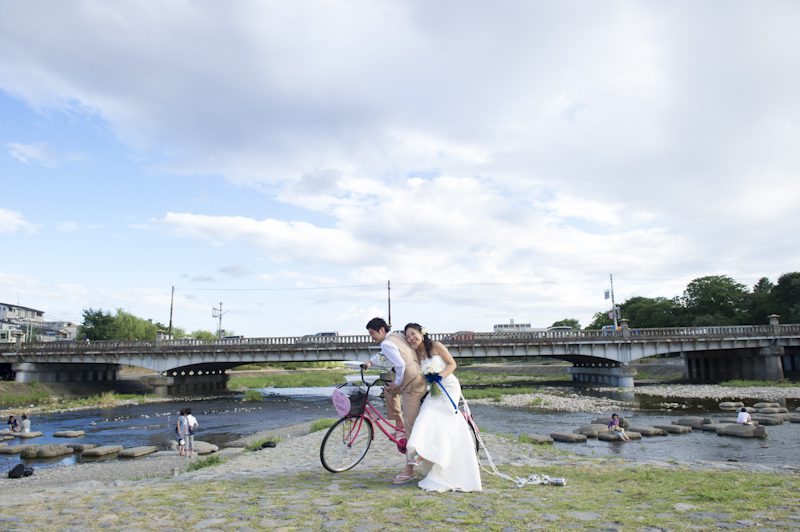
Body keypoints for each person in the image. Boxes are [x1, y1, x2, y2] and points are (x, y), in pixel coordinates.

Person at [403, 323, 482, 492]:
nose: (411, 338)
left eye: (413, 334)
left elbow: (452, 364)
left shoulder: (437, 346)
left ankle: (445, 462)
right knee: (424, 418)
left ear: (421, 333)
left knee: (444, 423)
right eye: (408, 336)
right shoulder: (415, 354)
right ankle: (421, 454)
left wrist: (440, 375)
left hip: (449, 386)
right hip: (435, 391)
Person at [360, 317, 426, 484]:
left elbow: (400, 365)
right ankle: (398, 423)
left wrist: (397, 383)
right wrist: (370, 362)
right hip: (418, 377)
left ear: (382, 330)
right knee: (388, 391)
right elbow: (385, 355)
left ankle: (409, 469)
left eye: (372, 333)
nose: (371, 337)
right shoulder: (396, 336)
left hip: (412, 384)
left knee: (411, 428)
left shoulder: (386, 343)